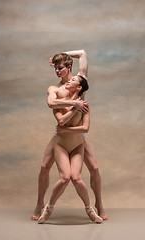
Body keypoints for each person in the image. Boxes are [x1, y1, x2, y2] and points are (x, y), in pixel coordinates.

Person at [31, 50, 107, 221]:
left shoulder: (80, 80)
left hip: (78, 133)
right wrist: (74, 103)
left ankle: (99, 204)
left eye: (60, 68)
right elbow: (51, 103)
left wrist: (62, 54)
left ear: (68, 67)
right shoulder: (55, 88)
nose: (57, 71)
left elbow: (82, 54)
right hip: (61, 133)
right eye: (55, 69)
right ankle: (39, 203)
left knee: (94, 168)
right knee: (44, 167)